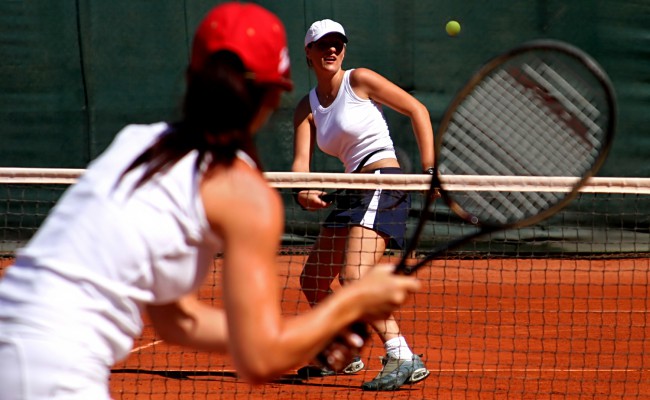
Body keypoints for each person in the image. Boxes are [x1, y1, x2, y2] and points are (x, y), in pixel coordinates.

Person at [0, 4, 423, 399]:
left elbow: (177, 321)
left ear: (193, 77)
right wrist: (352, 306)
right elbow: (260, 358)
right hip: (56, 373)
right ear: (273, 93)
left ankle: (390, 354)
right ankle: (396, 351)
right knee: (336, 281)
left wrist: (315, 334)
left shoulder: (135, 143)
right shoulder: (240, 191)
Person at [292, 19, 436, 391]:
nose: (332, 50)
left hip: (382, 181)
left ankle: (401, 354)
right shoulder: (306, 108)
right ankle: (343, 351)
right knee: (313, 280)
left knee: (354, 275)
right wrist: (302, 191)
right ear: (308, 51)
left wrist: (430, 169)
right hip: (352, 186)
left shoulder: (359, 80)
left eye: (338, 44)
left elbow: (417, 109)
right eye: (323, 44)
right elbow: (300, 167)